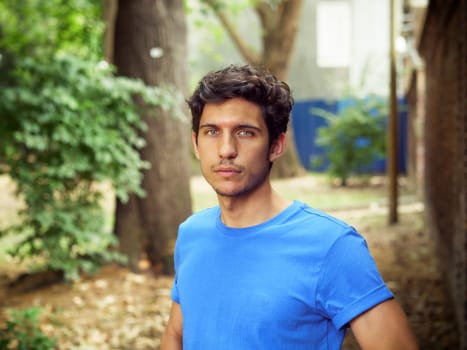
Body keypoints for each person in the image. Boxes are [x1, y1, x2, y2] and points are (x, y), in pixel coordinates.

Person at [160, 64, 418, 350]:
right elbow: (176, 334)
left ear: (276, 146)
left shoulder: (331, 245)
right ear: (196, 144)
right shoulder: (192, 233)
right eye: (211, 132)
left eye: (245, 132)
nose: (225, 150)